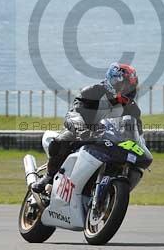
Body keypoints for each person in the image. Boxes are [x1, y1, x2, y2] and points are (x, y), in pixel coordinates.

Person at [31, 62, 142, 193]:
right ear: (113, 82)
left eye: (130, 86)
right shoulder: (92, 92)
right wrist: (81, 129)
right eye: (123, 85)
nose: (126, 89)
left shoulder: (133, 109)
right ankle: (48, 177)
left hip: (109, 139)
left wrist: (139, 146)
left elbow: (136, 133)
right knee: (61, 141)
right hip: (84, 132)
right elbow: (74, 113)